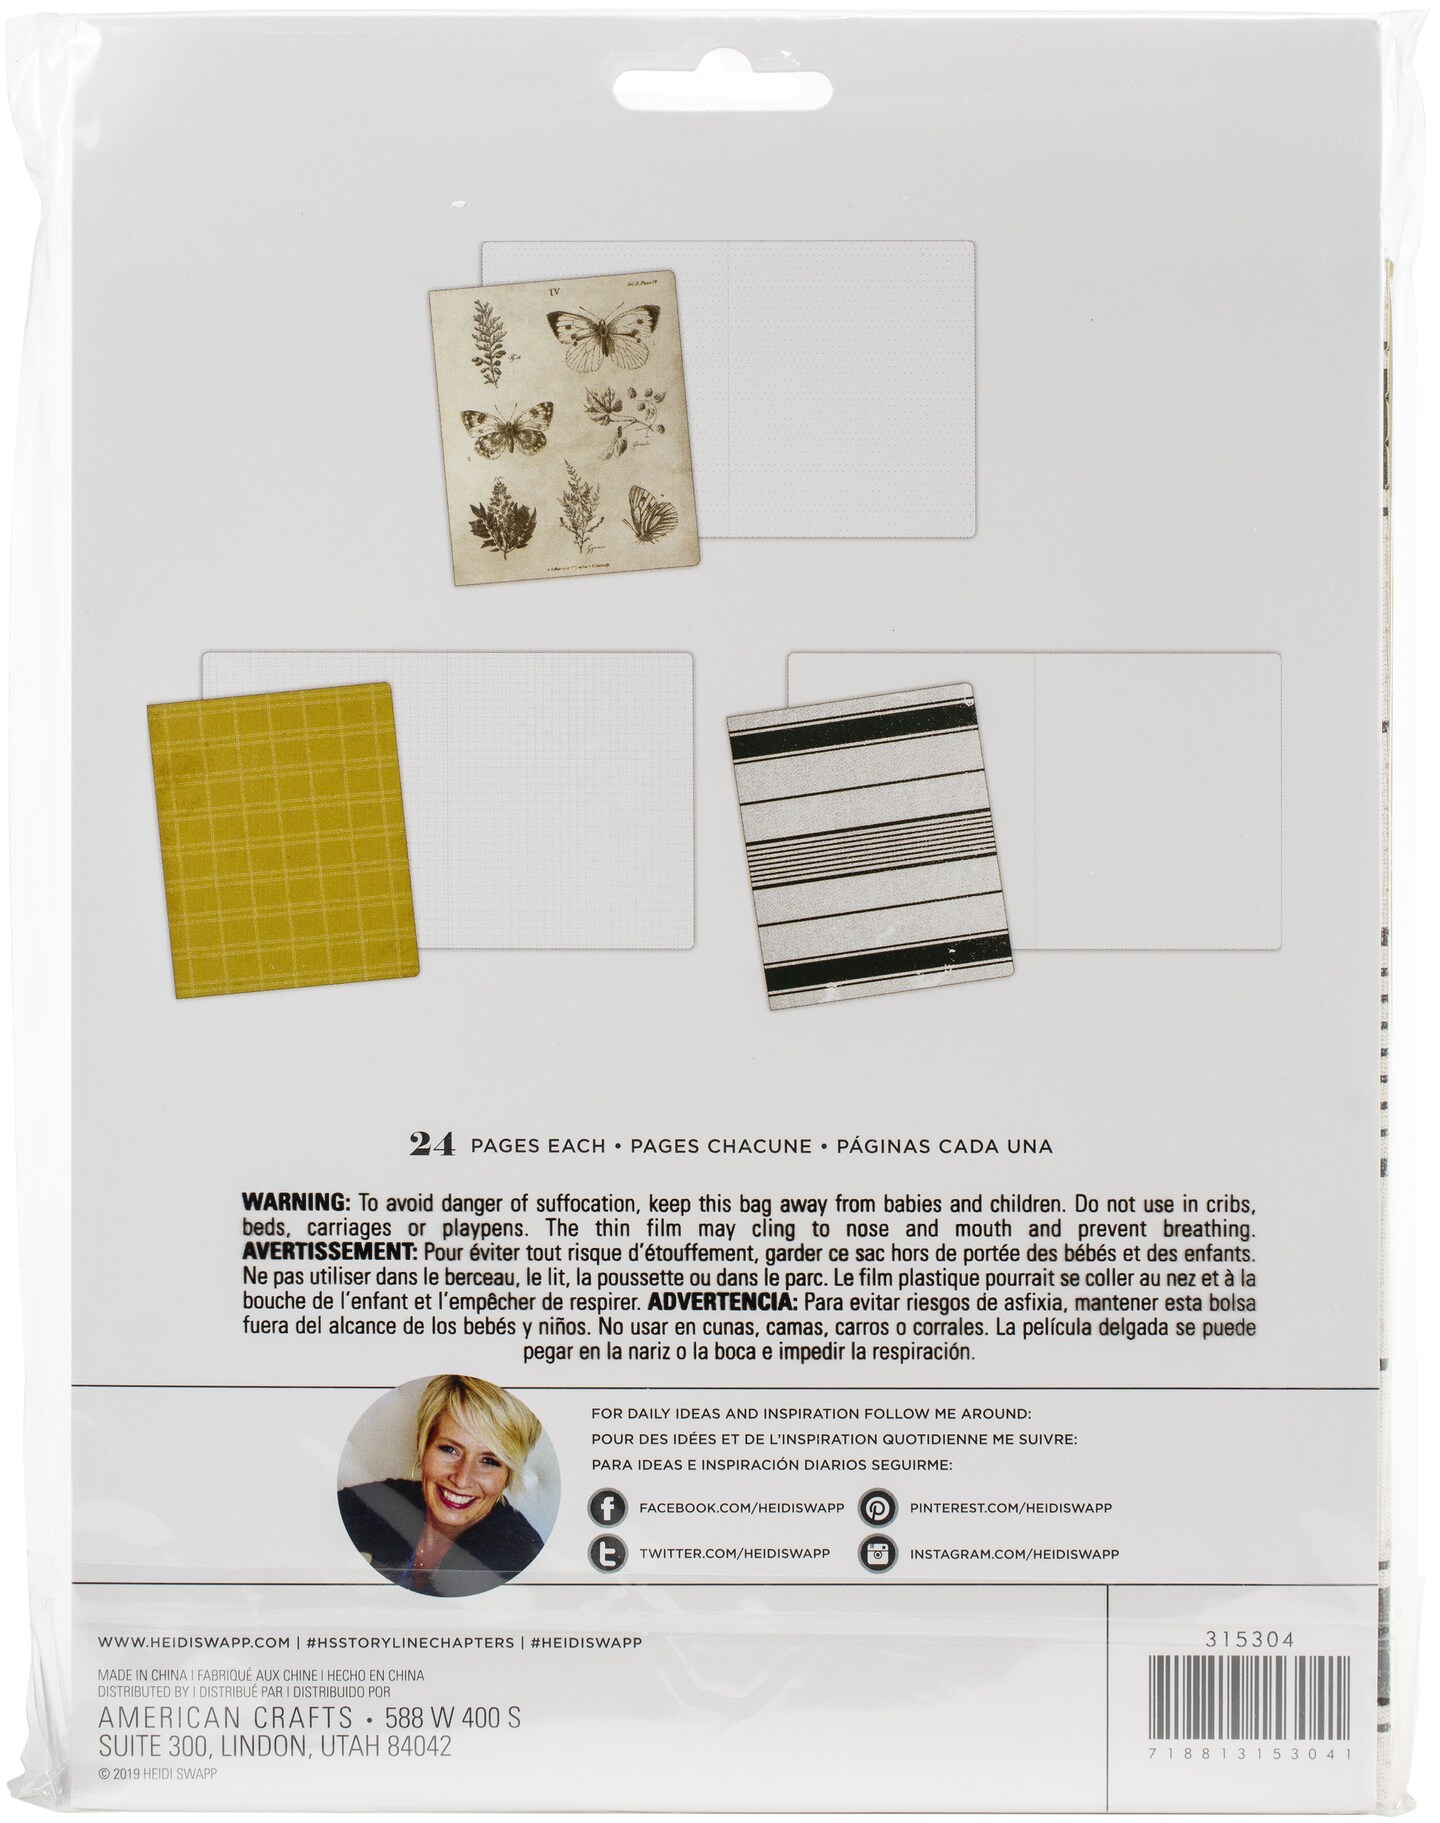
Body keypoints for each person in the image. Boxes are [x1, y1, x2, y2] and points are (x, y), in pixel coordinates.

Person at [339, 1375, 545, 1596]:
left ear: (508, 1474)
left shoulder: (519, 1554)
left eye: (489, 1461)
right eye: (449, 1449)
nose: (462, 1479)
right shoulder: (390, 1499)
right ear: (422, 1445)